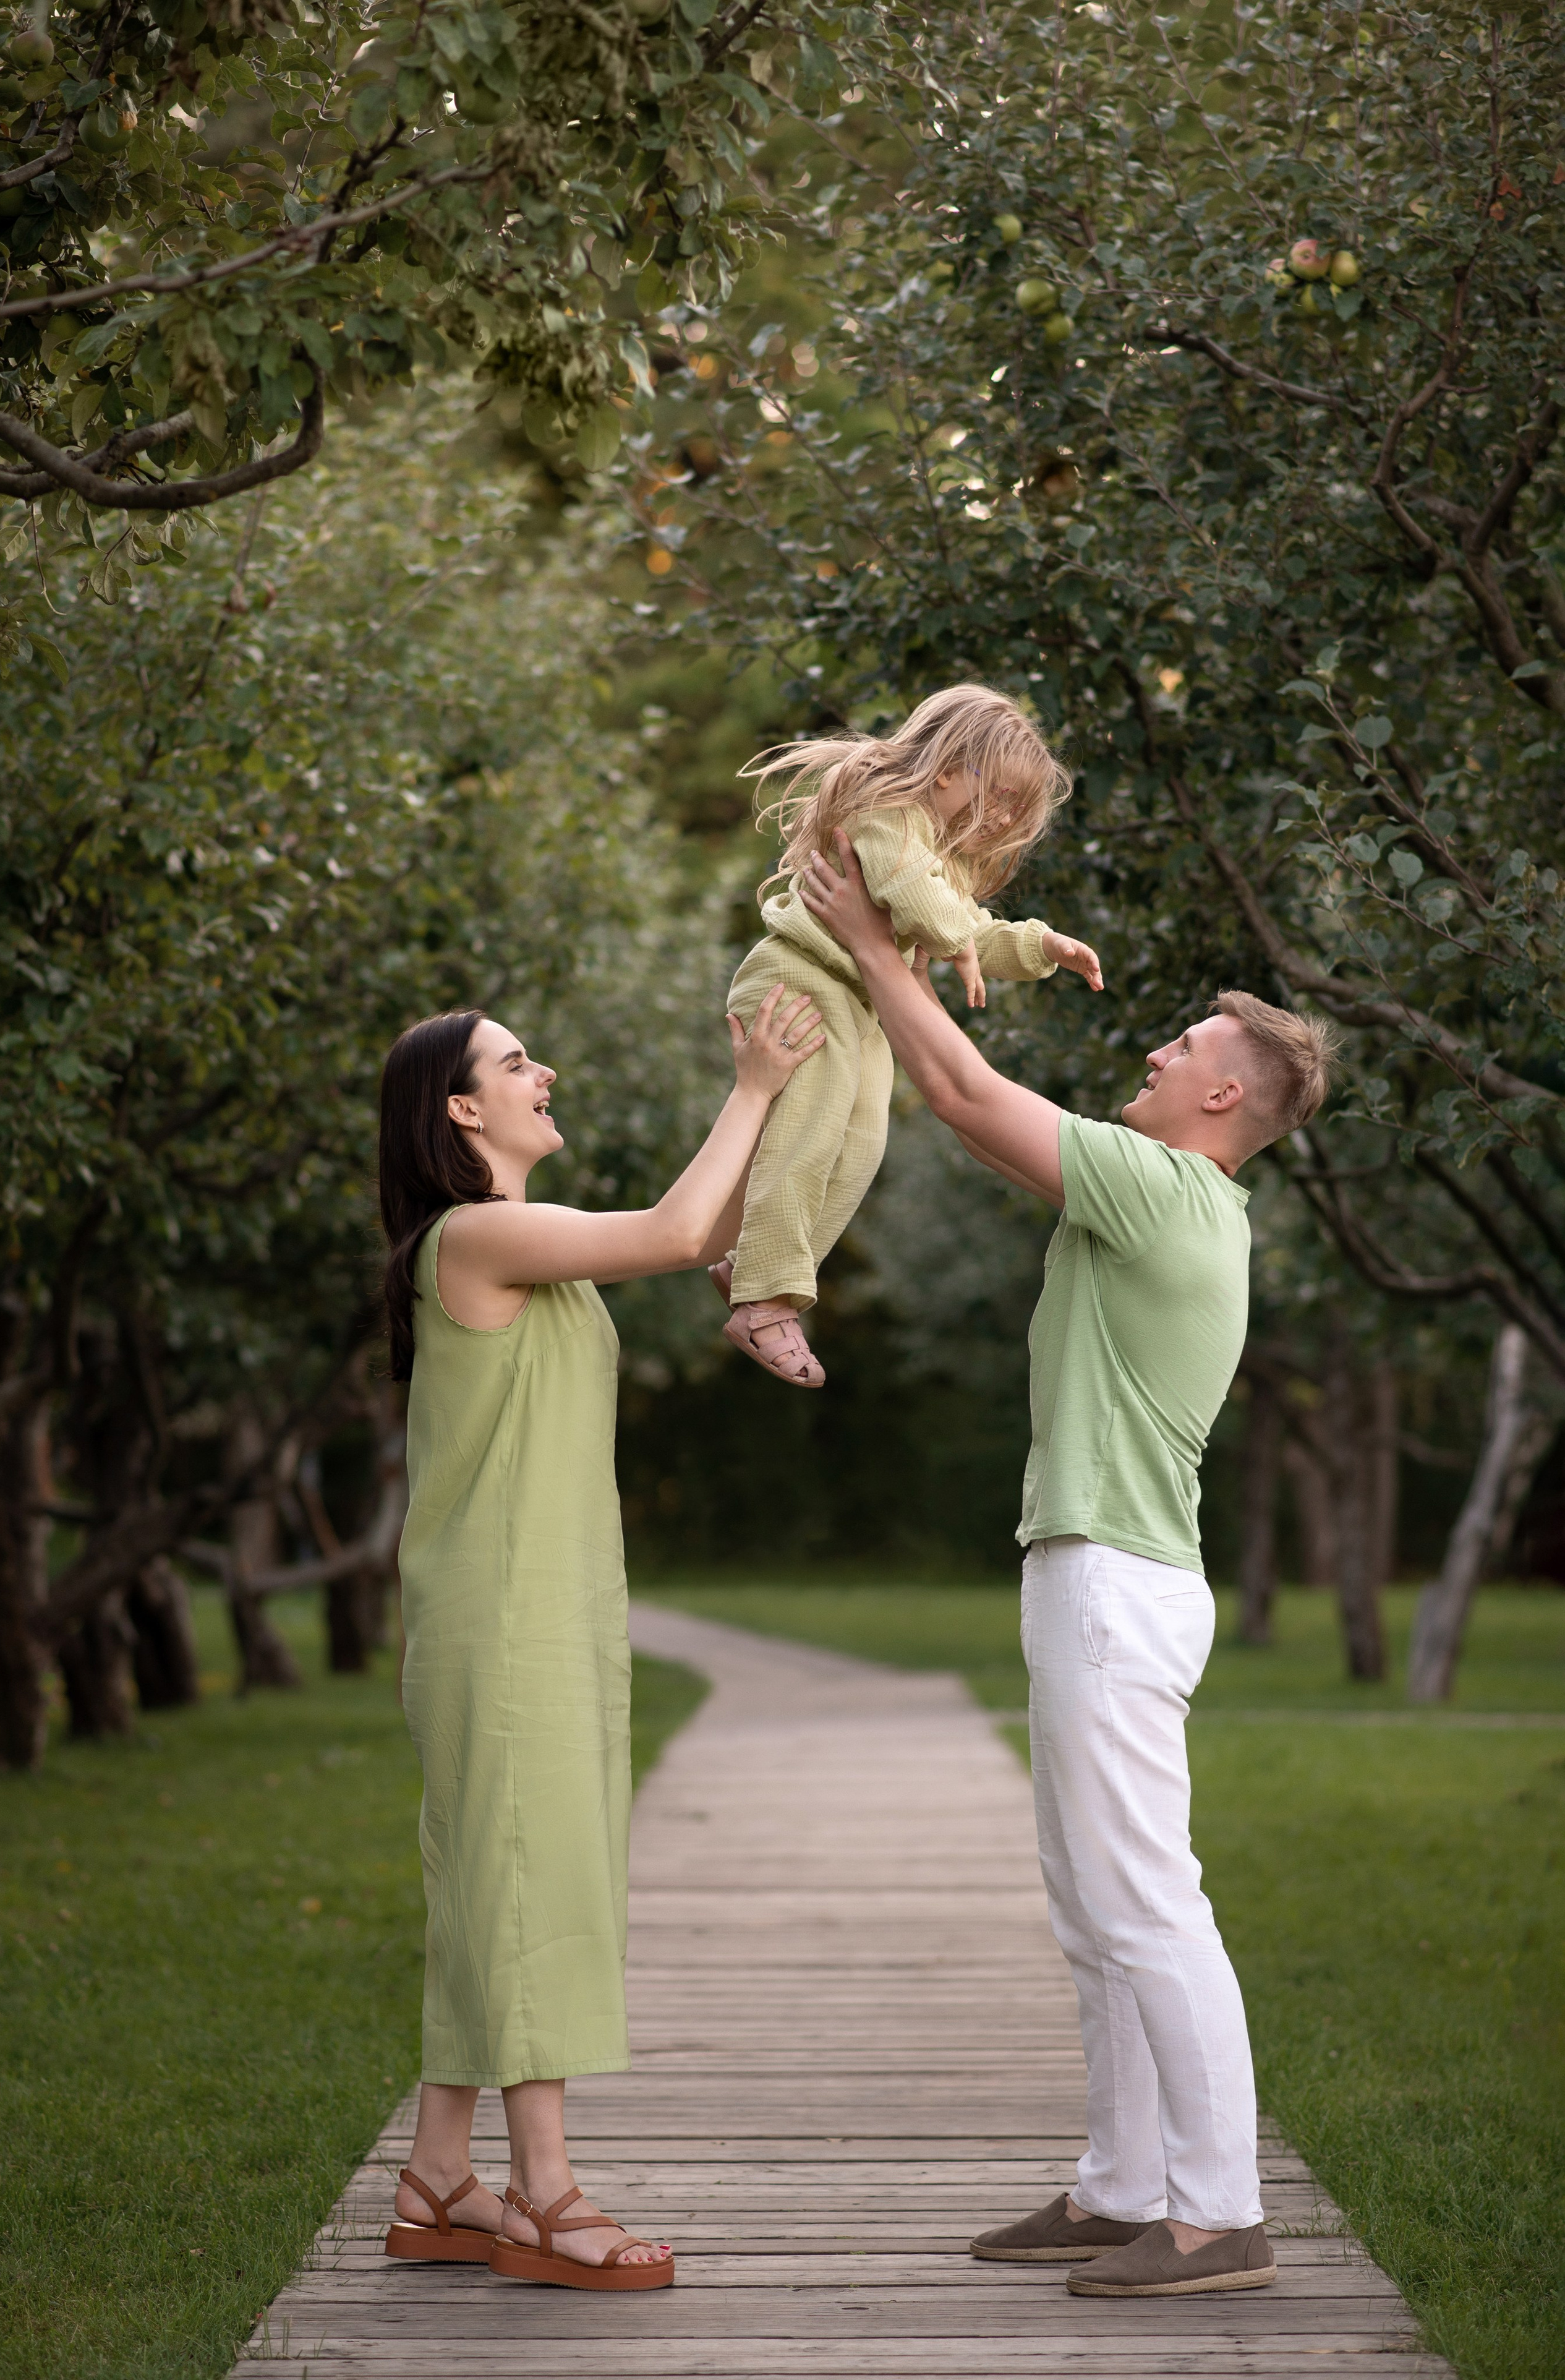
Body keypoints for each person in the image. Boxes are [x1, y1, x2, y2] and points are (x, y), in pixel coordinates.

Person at [801, 829, 1338, 2301]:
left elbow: (971, 1089)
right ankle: (1119, 2185)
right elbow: (966, 1112)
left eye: (1180, 1045)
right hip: (1089, 1575)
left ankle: (1215, 2205)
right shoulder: (1143, 1189)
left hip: (1113, 1583)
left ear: (1220, 1094)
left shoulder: (1170, 1191)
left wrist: (864, 942)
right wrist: (901, 962)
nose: (1156, 1054)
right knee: (1087, 1895)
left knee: (1145, 1894)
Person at [376, 986, 823, 2293]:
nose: (543, 1072)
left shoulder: (526, 1241)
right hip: (500, 1614)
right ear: (460, 1108)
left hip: (542, 1606)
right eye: (516, 1064)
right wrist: (748, 1083)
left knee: (494, 1880)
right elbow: (683, 1227)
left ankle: (438, 2177)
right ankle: (544, 2198)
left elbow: (711, 1233)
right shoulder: (474, 1235)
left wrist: (814, 1110)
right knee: (531, 1883)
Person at [714, 683, 1102, 1389]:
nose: (1006, 817)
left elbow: (968, 929)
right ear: (950, 767)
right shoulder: (886, 812)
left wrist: (1041, 946)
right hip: (800, 977)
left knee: (860, 1145)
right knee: (811, 1124)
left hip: (857, 1000)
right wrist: (954, 937)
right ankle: (765, 1299)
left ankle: (755, 1264)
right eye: (1002, 796)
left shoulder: (939, 852)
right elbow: (920, 902)